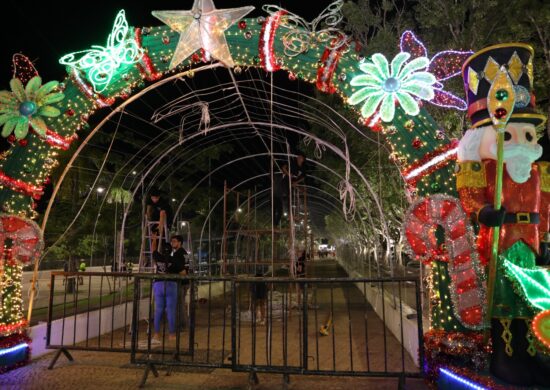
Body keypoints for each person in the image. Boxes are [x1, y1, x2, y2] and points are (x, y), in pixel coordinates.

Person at [456, 43, 550, 386]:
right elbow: (470, 196)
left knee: (533, 299)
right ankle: (505, 356)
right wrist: (482, 212)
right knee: (504, 300)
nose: (522, 142)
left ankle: (531, 354)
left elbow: (546, 205)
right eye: (509, 134)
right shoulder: (485, 168)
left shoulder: (538, 170)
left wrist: (547, 237)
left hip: (532, 243)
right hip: (500, 242)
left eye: (528, 134)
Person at [151, 235, 188, 344]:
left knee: (158, 310)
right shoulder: (174, 259)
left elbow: (153, 249)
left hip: (158, 285)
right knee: (171, 310)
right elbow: (184, 272)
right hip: (171, 285)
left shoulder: (158, 257)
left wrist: (154, 239)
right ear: (171, 249)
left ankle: (156, 334)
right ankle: (172, 334)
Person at [146, 188, 172, 252]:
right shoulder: (150, 200)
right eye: (153, 198)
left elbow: (162, 214)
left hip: (166, 219)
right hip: (156, 219)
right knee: (154, 238)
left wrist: (160, 226)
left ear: (159, 197)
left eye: (156, 198)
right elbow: (148, 210)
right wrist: (148, 221)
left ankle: (163, 254)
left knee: (161, 239)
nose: (154, 200)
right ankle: (154, 257)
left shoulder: (163, 202)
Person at [272, 161, 290, 226]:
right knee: (276, 211)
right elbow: (272, 173)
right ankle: (275, 224)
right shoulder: (277, 177)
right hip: (275, 196)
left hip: (278, 197)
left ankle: (275, 224)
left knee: (278, 211)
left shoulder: (279, 178)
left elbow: (284, 173)